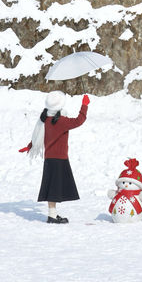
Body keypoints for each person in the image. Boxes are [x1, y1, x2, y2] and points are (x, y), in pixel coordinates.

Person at [19, 91, 89, 223]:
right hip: (59, 159)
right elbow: (79, 121)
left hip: (49, 159)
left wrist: (30, 146)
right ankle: (51, 216)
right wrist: (84, 105)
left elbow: (38, 136)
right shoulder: (61, 121)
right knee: (55, 188)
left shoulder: (45, 119)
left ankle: (52, 214)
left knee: (53, 187)